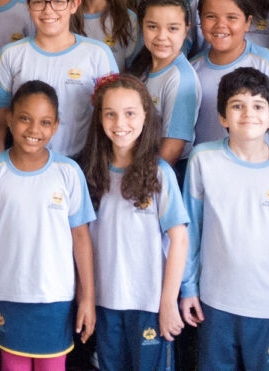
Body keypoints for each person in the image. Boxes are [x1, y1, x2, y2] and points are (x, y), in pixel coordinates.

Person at [179, 67, 269, 369]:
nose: (248, 114)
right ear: (223, 117)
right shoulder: (203, 159)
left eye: (258, 106)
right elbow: (190, 230)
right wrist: (188, 288)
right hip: (214, 301)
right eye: (237, 106)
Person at [0, 80, 95, 369]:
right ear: (9, 119)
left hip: (55, 298)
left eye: (45, 122)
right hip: (6, 295)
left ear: (56, 126)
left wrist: (87, 298)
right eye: (25, 119)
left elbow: (81, 239)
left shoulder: (68, 172)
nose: (34, 129)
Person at [77, 74, 188, 370]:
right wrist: (85, 296)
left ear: (145, 117)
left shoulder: (160, 173)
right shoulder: (89, 172)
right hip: (106, 303)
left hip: (149, 304)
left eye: (130, 113)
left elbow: (179, 239)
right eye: (110, 114)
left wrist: (168, 302)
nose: (120, 123)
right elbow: (81, 241)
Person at [0, 0, 118, 158]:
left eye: (58, 1)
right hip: (25, 161)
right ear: (28, 5)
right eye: (38, 2)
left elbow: (112, 116)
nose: (48, 10)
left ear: (74, 5)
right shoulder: (10, 55)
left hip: (82, 161)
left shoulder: (98, 54)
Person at [189, 0, 269, 159]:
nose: (220, 25)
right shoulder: (192, 69)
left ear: (248, 22)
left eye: (232, 17)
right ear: (200, 20)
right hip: (209, 169)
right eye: (211, 16)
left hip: (259, 168)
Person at [128, 0, 201, 172]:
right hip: (139, 164)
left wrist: (144, 180)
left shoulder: (181, 78)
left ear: (186, 30)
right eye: (153, 26)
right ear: (141, 26)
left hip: (162, 170)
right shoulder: (142, 66)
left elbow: (172, 148)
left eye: (172, 28)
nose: (161, 36)